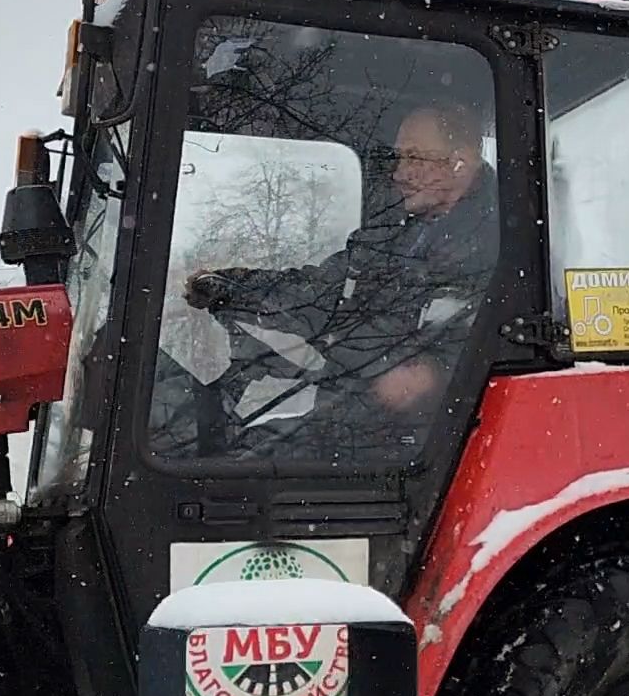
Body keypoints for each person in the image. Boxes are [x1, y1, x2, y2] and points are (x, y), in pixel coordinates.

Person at [181, 103, 499, 451]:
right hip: (349, 413)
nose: (399, 173)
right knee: (217, 445)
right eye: (398, 158)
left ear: (460, 163)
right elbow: (319, 291)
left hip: (414, 443)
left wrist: (432, 376)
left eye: (414, 158)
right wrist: (237, 286)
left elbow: (488, 345)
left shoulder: (497, 247)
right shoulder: (394, 235)